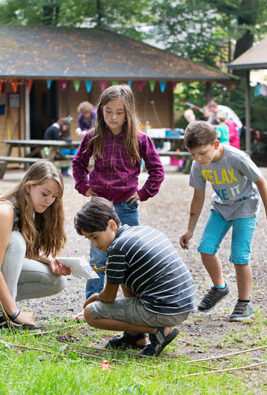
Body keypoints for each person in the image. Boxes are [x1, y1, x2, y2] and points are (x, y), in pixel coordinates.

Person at [72, 84, 164, 317]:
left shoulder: (140, 139)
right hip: (98, 207)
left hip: (126, 206)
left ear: (128, 112)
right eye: (108, 111)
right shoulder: (93, 137)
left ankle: (132, 305)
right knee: (98, 257)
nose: (113, 117)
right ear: (100, 111)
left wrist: (144, 193)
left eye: (119, 112)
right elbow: (78, 165)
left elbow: (156, 170)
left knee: (130, 256)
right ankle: (90, 306)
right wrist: (84, 187)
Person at [179, 121, 267, 321]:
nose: (198, 159)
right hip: (221, 207)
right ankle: (219, 287)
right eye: (193, 154)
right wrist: (190, 229)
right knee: (205, 248)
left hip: (245, 207)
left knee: (239, 257)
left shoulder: (236, 158)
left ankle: (244, 303)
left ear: (215, 145)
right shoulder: (199, 165)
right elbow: (198, 197)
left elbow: (261, 181)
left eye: (202, 153)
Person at [74, 197, 195, 356]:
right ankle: (135, 336)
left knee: (91, 313)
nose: (95, 245)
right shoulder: (142, 231)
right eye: (89, 239)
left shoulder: (117, 248)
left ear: (112, 225)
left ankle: (158, 331)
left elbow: (108, 297)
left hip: (165, 308)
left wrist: (95, 297)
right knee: (125, 277)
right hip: (183, 303)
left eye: (95, 237)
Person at [0, 161, 70, 330]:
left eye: (54, 196)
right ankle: (6, 318)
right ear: (28, 187)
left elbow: (11, 256)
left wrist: (45, 258)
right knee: (16, 240)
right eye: (45, 193)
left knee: (56, 281)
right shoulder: (5, 211)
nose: (49, 201)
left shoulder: (32, 209)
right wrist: (15, 313)